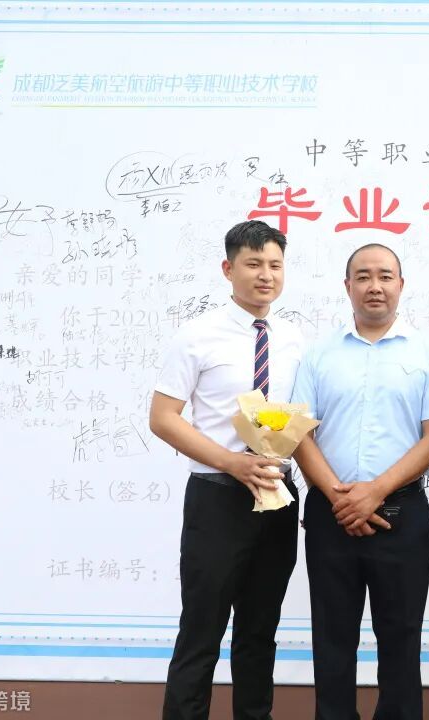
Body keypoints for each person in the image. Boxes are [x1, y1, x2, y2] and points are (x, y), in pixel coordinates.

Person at [291, 243, 429, 720]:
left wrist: (375, 492)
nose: (374, 286)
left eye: (385, 276)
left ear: (401, 285)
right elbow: (298, 432)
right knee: (332, 637)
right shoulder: (319, 355)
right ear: (348, 286)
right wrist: (341, 498)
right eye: (363, 276)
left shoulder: (428, 353)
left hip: (401, 514)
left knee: (401, 637)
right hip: (331, 513)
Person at [151, 220, 305, 720]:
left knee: (260, 632)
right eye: (253, 264)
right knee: (202, 629)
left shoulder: (294, 339)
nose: (266, 275)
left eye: (275, 265)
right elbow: (163, 418)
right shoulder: (198, 335)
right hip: (217, 496)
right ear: (228, 268)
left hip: (277, 496)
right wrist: (232, 463)